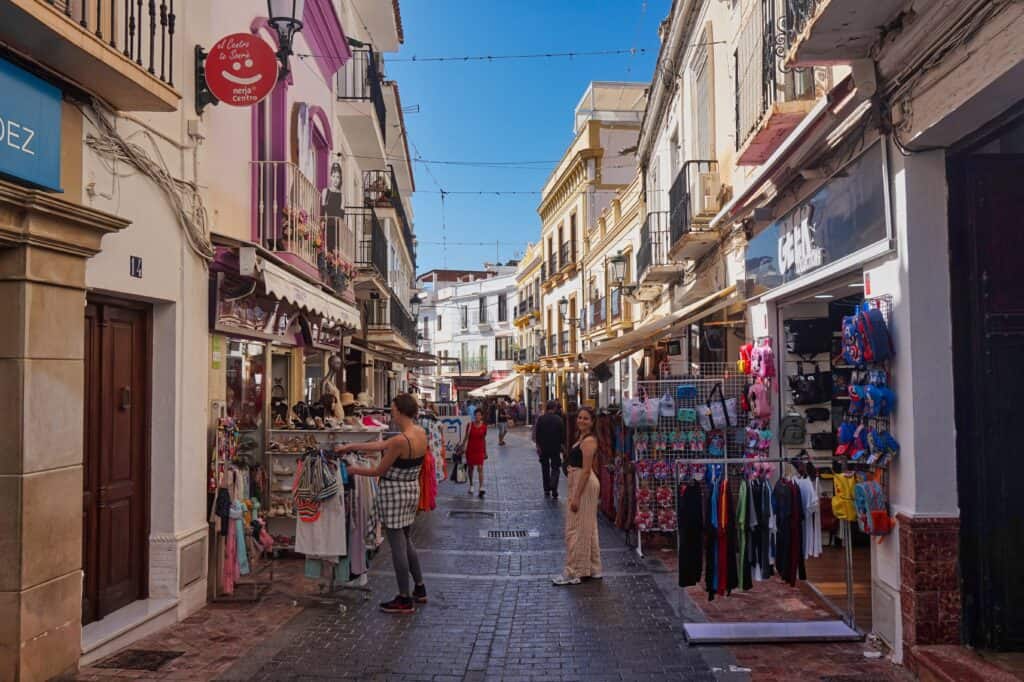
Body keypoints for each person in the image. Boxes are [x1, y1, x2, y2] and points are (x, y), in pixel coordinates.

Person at [335, 393, 428, 614]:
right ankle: (420, 588)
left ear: (400, 411)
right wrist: (350, 447)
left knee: (397, 545)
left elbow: (378, 470)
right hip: (411, 489)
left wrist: (354, 469)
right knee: (406, 539)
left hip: (394, 492)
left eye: (393, 409)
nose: (391, 413)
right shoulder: (419, 433)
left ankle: (404, 598)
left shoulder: (399, 441)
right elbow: (380, 444)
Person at [552, 406, 602, 585]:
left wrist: (576, 497)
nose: (581, 420)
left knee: (575, 529)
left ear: (592, 422)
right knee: (588, 527)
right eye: (580, 417)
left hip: (584, 484)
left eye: (586, 418)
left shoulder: (589, 441)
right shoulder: (582, 438)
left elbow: (587, 471)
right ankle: (593, 568)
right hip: (579, 481)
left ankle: (573, 571)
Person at [533, 400, 565, 498]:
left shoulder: (541, 419)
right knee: (555, 468)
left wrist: (538, 446)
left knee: (545, 469)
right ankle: (554, 487)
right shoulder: (559, 419)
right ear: (554, 408)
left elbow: (537, 434)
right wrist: (562, 446)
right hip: (555, 447)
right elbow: (562, 435)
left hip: (543, 448)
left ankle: (546, 489)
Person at [461, 408, 488, 497]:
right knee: (471, 469)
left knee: (480, 468)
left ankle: (481, 487)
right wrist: (462, 447)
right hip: (470, 449)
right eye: (476, 415)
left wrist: (485, 452)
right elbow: (466, 437)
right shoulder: (469, 425)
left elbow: (484, 439)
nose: (477, 417)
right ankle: (471, 485)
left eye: (479, 415)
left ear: (481, 416)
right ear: (474, 416)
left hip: (479, 449)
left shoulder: (484, 427)